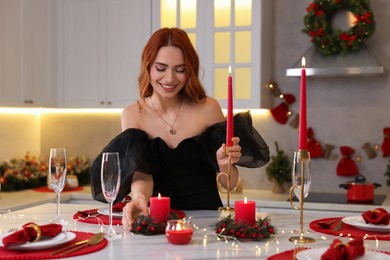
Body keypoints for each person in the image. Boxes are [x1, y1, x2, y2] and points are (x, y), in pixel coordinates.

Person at [90, 27, 270, 231]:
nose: (170, 78)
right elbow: (142, 173)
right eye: (161, 68)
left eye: (179, 69)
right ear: (147, 67)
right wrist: (139, 197)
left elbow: (229, 184)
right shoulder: (133, 114)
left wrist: (224, 163)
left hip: (206, 224)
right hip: (157, 224)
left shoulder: (208, 108)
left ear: (189, 70)